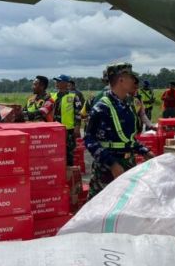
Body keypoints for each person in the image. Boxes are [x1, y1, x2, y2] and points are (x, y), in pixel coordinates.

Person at [85, 63, 155, 198]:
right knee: (101, 208)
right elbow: (90, 139)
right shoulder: (101, 107)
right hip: (107, 169)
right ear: (121, 80)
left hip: (128, 163)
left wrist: (144, 151)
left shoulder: (127, 104)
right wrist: (112, 164)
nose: (134, 81)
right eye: (131, 78)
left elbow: (127, 139)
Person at [51, 75, 84, 167]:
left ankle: (69, 171)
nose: (56, 83)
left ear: (65, 83)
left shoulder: (74, 97)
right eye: (56, 81)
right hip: (54, 129)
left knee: (69, 152)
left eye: (59, 81)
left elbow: (78, 113)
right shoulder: (52, 96)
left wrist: (77, 127)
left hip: (68, 129)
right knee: (55, 151)